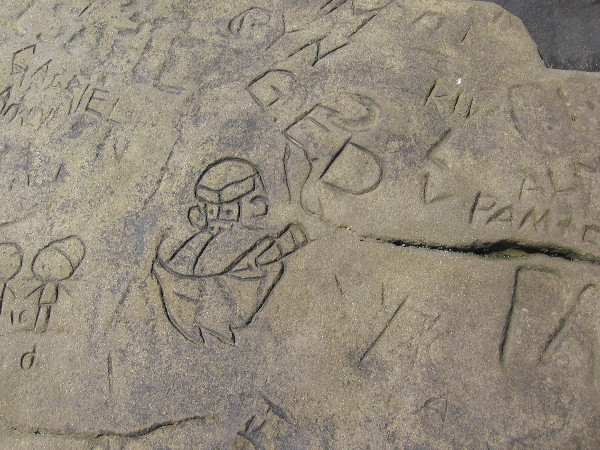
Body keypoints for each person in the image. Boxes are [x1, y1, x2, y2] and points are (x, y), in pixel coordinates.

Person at [154, 158, 307, 346]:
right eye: (213, 212)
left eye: (227, 212)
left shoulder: (258, 244)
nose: (218, 221)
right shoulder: (207, 242)